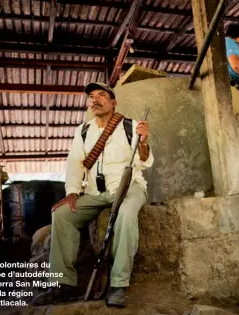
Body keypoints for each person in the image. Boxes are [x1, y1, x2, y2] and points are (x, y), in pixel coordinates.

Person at [31, 82, 154, 308]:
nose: (95, 99)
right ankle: (62, 285)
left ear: (113, 102)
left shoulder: (131, 125)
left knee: (126, 214)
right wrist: (72, 192)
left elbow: (145, 160)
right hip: (95, 192)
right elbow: (75, 163)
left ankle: (118, 285)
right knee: (63, 215)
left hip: (127, 188)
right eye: (91, 96)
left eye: (101, 95)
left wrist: (144, 142)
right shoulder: (83, 131)